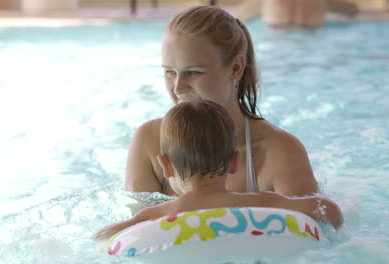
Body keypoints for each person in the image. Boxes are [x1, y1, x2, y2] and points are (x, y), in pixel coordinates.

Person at [125, 5, 319, 197]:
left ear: (236, 68)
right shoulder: (150, 142)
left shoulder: (279, 152)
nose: (177, 88)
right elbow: (134, 226)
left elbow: (318, 221)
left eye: (193, 72)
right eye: (170, 72)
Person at [96, 100, 343, 240]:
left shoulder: (159, 213)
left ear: (166, 166)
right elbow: (329, 211)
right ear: (234, 162)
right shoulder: (263, 202)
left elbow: (105, 237)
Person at [234, 0, 359, 28]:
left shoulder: (265, 1)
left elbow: (236, 17)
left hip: (277, 40)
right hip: (314, 44)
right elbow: (353, 10)